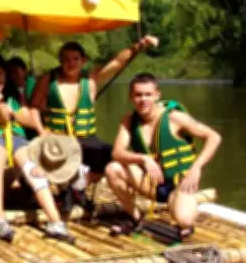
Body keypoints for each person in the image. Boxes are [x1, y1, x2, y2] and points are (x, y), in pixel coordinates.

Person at [104, 73, 222, 237]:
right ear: (131, 97)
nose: (143, 99)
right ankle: (135, 218)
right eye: (138, 95)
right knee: (113, 169)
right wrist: (144, 159)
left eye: (148, 94)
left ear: (157, 95)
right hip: (153, 183)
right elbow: (117, 152)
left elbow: (213, 137)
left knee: (184, 219)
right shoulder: (129, 121)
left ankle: (182, 209)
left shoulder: (174, 117)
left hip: (181, 184)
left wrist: (197, 168)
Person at [30, 35, 160, 184]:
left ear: (83, 61)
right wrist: (41, 131)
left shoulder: (91, 78)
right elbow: (34, 107)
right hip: (58, 138)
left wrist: (140, 45)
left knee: (115, 157)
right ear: (60, 61)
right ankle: (73, 181)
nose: (71, 63)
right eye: (66, 59)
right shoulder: (48, 79)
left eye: (75, 59)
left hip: (87, 139)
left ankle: (85, 179)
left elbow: (117, 62)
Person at [0, 56, 75, 242]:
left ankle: (55, 221)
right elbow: (0, 117)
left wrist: (12, 111)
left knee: (32, 170)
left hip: (17, 137)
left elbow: (29, 119)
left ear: (5, 76)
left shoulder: (13, 97)